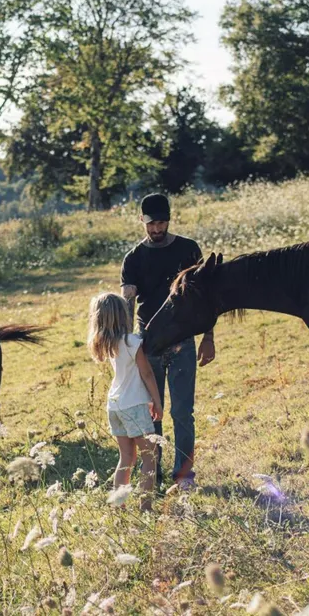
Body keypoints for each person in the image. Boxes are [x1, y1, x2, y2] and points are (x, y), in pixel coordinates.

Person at [120, 193, 215, 489]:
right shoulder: (133, 258)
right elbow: (128, 304)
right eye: (151, 224)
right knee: (153, 413)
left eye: (161, 223)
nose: (156, 229)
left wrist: (208, 337)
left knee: (183, 412)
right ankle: (154, 475)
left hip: (183, 341)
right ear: (141, 221)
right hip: (149, 345)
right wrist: (127, 345)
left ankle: (184, 475)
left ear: (169, 220)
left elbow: (205, 298)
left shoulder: (188, 250)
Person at [87, 292, 164, 511]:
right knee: (151, 456)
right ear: (123, 315)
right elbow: (147, 373)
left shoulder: (107, 344)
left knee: (126, 458)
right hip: (135, 405)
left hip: (115, 404)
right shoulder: (132, 342)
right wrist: (156, 402)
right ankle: (145, 506)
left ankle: (118, 506)